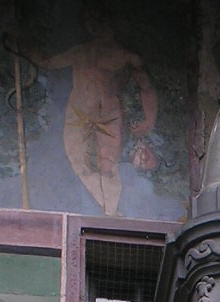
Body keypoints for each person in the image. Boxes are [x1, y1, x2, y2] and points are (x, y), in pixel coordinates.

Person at [39, 11, 156, 216]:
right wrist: (21, 46)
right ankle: (102, 209)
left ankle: (111, 212)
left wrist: (149, 120)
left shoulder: (127, 57)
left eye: (101, 22)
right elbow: (47, 62)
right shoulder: (80, 52)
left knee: (108, 166)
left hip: (109, 116)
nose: (97, 28)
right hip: (78, 115)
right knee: (80, 163)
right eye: (92, 23)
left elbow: (146, 88)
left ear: (112, 26)